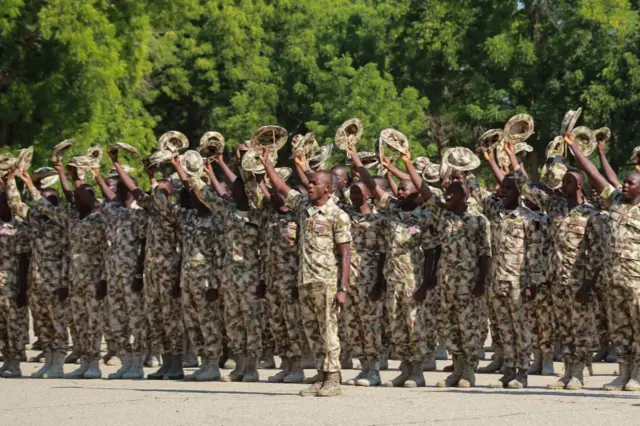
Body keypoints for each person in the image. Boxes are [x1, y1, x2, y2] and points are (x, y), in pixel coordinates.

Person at [505, 142, 601, 391]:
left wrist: (589, 283)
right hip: (556, 280)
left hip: (578, 281)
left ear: (578, 185)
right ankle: (567, 372)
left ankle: (578, 374)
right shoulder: (555, 207)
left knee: (580, 329)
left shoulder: (590, 214)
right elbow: (525, 187)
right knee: (564, 328)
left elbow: (596, 252)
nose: (562, 186)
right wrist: (511, 157)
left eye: (567, 182)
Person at [261, 150, 351, 397]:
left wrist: (343, 288)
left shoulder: (338, 215)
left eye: (314, 184)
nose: (309, 187)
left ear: (328, 189)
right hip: (306, 279)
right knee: (312, 331)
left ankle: (333, 379)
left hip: (327, 281)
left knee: (328, 331)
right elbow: (281, 187)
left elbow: (345, 254)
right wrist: (267, 163)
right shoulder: (303, 208)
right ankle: (321, 378)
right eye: (309, 183)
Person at [402, 154, 490, 388]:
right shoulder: (443, 216)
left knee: (468, 327)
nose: (447, 195)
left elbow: (485, 254)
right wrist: (407, 162)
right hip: (446, 283)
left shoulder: (478, 220)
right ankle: (457, 369)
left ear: (465, 195)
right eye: (446, 192)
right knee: (450, 327)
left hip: (469, 285)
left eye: (452, 192)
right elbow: (424, 190)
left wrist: (481, 282)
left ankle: (468, 372)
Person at [352, 150, 437, 388]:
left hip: (413, 279)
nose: (400, 191)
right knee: (396, 326)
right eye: (399, 187)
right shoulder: (392, 209)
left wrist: (426, 283)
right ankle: (405, 369)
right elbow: (371, 184)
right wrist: (357, 161)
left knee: (414, 326)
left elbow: (431, 252)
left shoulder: (425, 216)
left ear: (417, 193)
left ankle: (418, 372)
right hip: (392, 279)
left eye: (406, 188)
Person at [567, 133, 640, 391]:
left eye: (630, 183)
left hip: (637, 282)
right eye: (624, 183)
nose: (624, 186)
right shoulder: (617, 203)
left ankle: (638, 375)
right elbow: (596, 177)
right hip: (614, 280)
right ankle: (623, 372)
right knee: (620, 328)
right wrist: (575, 147)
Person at [109, 154, 185, 380]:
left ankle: (177, 364)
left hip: (169, 272)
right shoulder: (151, 209)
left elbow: (181, 246)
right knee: (156, 318)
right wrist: (118, 165)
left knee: (172, 318)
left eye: (162, 191)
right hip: (152, 272)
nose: (156, 193)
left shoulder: (175, 213)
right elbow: (134, 190)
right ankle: (166, 361)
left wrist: (171, 173)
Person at [190, 155, 263, 383]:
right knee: (233, 322)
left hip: (251, 277)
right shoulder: (227, 211)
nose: (234, 192)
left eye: (238, 189)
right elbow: (205, 193)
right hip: (229, 278)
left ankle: (252, 367)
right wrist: (192, 170)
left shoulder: (259, 214)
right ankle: (239, 365)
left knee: (252, 323)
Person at [32, 170, 107, 379]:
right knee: (80, 323)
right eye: (78, 195)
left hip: (94, 279)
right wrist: (29, 182)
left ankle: (94, 363)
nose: (80, 197)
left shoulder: (100, 218)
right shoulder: (72, 219)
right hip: (75, 280)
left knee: (93, 323)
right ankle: (84, 362)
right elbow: (45, 206)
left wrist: (103, 279)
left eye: (86, 194)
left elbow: (105, 251)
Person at [5, 167, 69, 379]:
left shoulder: (62, 221)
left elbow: (43, 205)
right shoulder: (34, 222)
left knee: (58, 323)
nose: (44, 203)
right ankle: (49, 359)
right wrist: (10, 180)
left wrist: (31, 185)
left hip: (55, 282)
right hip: (37, 282)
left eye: (49, 199)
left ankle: (58, 362)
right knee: (42, 324)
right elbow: (15, 204)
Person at [94, 157, 148, 380]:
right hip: (114, 275)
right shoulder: (113, 210)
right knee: (117, 320)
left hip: (131, 276)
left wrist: (138, 273)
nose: (119, 189)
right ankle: (125, 361)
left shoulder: (139, 213)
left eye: (124, 185)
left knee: (137, 321)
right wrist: (96, 174)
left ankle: (138, 363)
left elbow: (144, 244)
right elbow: (103, 196)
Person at [258, 173, 305, 384]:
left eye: (276, 193)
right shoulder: (270, 217)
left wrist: (298, 282)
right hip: (272, 281)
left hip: (290, 282)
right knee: (277, 326)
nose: (271, 196)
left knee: (292, 325)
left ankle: (297, 368)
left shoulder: (297, 219)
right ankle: (286, 365)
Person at [341, 181, 386, 386]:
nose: (354, 195)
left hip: (368, 278)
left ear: (369, 194)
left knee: (371, 324)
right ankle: (363, 368)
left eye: (358, 192)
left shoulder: (378, 219)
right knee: (352, 324)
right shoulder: (346, 216)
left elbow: (384, 252)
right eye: (352, 192)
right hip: (348, 278)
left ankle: (374, 370)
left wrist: (379, 282)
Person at [0, 181, 30, 378]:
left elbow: (23, 257)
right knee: (1, 324)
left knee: (15, 324)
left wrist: (22, 288)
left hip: (13, 282)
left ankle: (16, 360)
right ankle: (6, 357)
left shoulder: (19, 227)